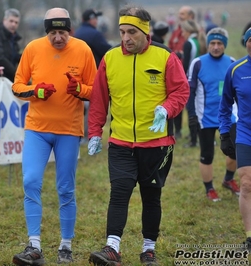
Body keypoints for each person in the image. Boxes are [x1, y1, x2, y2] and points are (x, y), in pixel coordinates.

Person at [87, 4, 189, 265]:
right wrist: (95, 132)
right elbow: (99, 100)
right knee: (119, 191)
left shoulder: (165, 57)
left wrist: (165, 110)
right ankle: (112, 248)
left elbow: (181, 91)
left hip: (157, 143)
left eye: (131, 32)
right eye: (122, 32)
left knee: (150, 195)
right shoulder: (109, 59)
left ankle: (149, 248)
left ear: (145, 31)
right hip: (121, 142)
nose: (125, 38)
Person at [11, 7, 97, 265]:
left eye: (62, 32)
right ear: (46, 32)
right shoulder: (33, 49)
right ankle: (34, 245)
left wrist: (80, 89)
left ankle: (66, 246)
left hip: (69, 131)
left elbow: (96, 91)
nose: (58, 38)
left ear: (69, 30)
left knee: (65, 189)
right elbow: (17, 86)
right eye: (53, 33)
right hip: (37, 129)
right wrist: (35, 92)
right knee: (30, 181)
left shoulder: (83, 49)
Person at [187, 27, 238, 202]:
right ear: (208, 44)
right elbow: (190, 91)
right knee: (207, 154)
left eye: (219, 43)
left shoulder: (232, 62)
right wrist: (192, 116)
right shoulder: (198, 63)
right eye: (212, 43)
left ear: (224, 45)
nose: (215, 47)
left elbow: (239, 92)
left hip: (229, 117)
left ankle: (229, 179)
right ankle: (209, 188)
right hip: (205, 118)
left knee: (235, 152)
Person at [219, 27, 251, 250]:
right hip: (246, 133)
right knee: (247, 184)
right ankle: (250, 235)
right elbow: (225, 105)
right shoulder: (235, 69)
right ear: (246, 43)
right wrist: (223, 132)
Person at [74, 9, 112, 145]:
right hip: (92, 74)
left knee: (81, 105)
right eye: (95, 18)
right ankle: (86, 135)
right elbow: (108, 51)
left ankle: (80, 134)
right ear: (90, 19)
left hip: (77, 74)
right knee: (92, 106)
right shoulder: (94, 34)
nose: (97, 21)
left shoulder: (78, 32)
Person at [168, 5, 195, 140]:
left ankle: (193, 133)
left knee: (192, 105)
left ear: (191, 16)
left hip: (190, 74)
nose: (180, 16)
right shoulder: (176, 32)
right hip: (176, 73)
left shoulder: (196, 33)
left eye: (183, 14)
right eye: (179, 14)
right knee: (176, 102)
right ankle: (177, 130)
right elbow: (169, 49)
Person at [181, 19, 207, 148]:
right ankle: (204, 138)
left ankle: (193, 141)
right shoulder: (201, 41)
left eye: (183, 31)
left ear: (188, 31)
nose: (182, 33)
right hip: (202, 80)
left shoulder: (188, 43)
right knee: (200, 109)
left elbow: (186, 65)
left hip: (190, 80)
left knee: (191, 109)